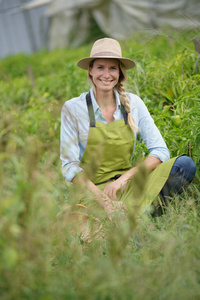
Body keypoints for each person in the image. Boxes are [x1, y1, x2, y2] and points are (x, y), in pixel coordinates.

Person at [60, 38, 196, 219]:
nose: (106, 74)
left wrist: (123, 180)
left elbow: (160, 151)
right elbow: (70, 166)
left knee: (184, 165)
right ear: (90, 71)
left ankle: (138, 215)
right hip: (93, 193)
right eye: (100, 67)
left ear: (120, 73)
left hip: (127, 186)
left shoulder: (134, 103)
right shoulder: (73, 109)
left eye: (113, 68)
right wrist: (106, 201)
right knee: (86, 222)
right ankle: (134, 216)